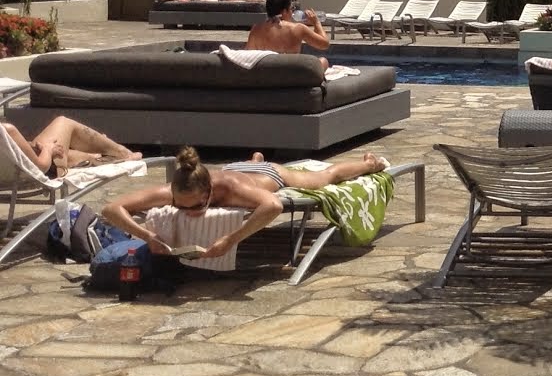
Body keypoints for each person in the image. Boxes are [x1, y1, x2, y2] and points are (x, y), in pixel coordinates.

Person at [100, 146, 389, 259]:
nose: (186, 212)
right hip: (234, 166)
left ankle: (368, 164)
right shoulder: (177, 188)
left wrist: (229, 240)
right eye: (180, 206)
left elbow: (272, 206)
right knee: (241, 168)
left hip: (266, 175)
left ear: (209, 194)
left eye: (194, 207)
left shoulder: (231, 189)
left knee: (326, 176)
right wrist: (148, 236)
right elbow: (112, 209)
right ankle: (253, 159)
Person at [3, 117, 141, 176]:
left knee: (38, 145)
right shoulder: (7, 130)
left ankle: (90, 155)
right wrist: (47, 149)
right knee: (63, 122)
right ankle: (121, 152)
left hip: (15, 171)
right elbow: (40, 167)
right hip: (44, 170)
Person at [246, 0, 330, 69]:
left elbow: (247, 54)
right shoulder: (297, 28)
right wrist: (317, 23)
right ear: (284, 11)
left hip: (266, 72)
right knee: (323, 61)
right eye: (291, 9)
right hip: (290, 73)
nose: (292, 12)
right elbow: (324, 44)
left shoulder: (256, 28)